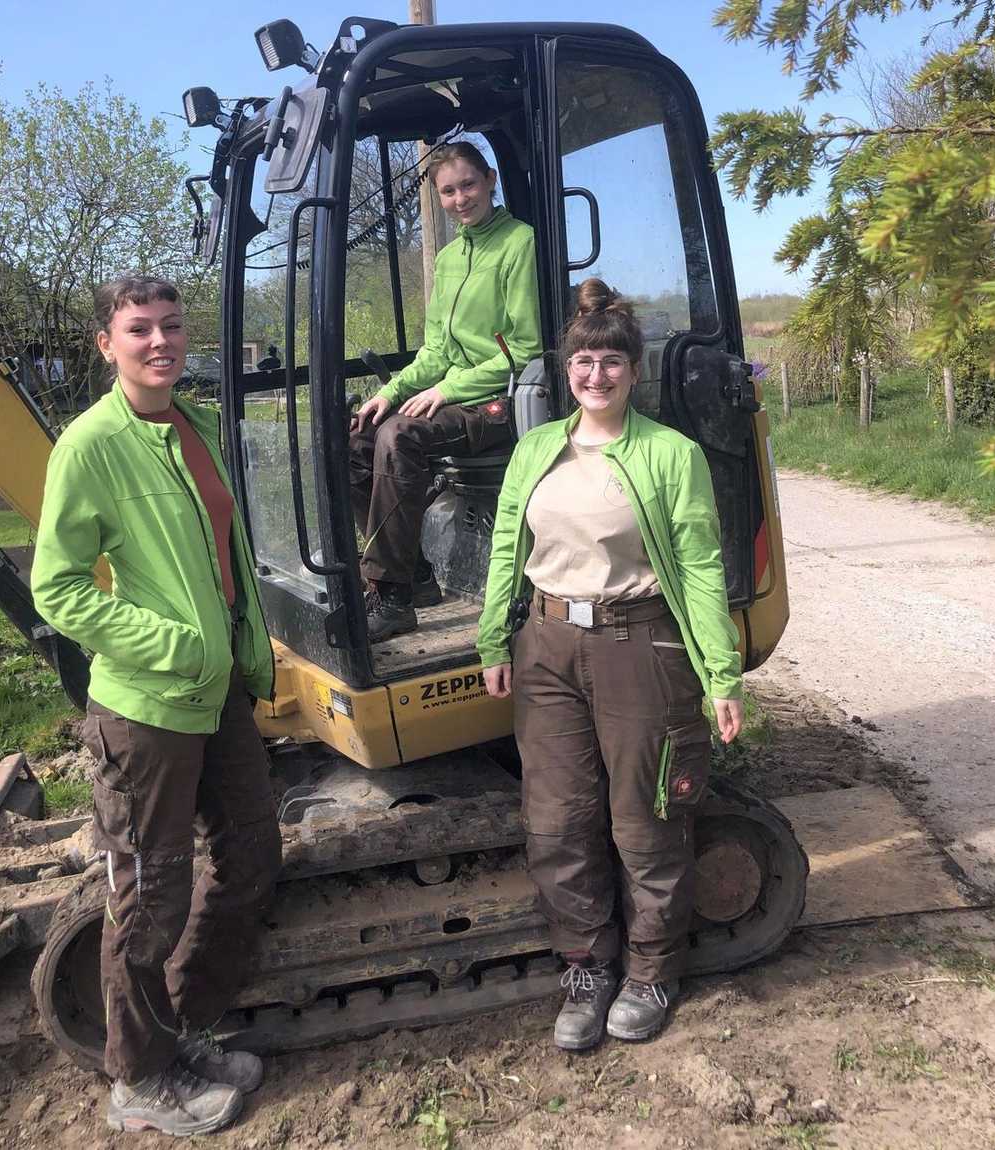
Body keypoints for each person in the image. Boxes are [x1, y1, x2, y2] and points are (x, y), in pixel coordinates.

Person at [31, 276, 282, 1136]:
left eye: (171, 326)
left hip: (222, 695)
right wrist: (173, 644)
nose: (159, 342)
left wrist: (239, 652)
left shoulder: (195, 426)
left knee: (251, 853)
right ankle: (137, 1079)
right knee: (149, 898)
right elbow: (58, 589)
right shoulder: (90, 446)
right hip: (145, 709)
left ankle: (180, 1032)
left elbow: (226, 558)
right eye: (138, 329)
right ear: (108, 345)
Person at [477, 278, 744, 1051]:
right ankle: (586, 969)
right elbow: (507, 548)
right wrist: (497, 637)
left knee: (646, 816)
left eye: (611, 362)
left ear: (633, 370)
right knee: (557, 821)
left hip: (639, 643)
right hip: (548, 646)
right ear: (567, 371)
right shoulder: (535, 449)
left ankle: (653, 970)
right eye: (584, 361)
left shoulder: (670, 454)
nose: (596, 375)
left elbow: (699, 564)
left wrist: (721, 677)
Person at [349, 141, 541, 642]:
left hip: (501, 401)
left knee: (399, 438)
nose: (460, 199)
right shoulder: (451, 256)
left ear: (491, 180)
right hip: (453, 396)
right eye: (448, 191)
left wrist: (450, 388)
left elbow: (525, 347)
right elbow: (435, 351)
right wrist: (388, 393)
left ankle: (390, 598)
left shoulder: (520, 242)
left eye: (469, 185)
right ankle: (415, 577)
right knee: (356, 439)